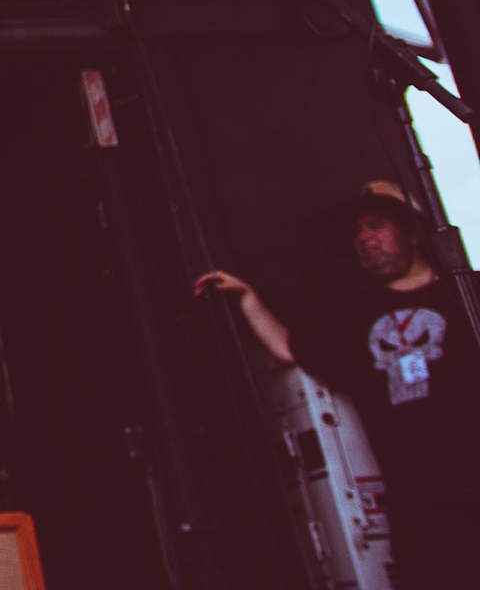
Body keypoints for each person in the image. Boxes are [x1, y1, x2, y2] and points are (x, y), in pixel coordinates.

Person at [195, 180, 480, 584]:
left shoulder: (467, 291)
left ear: (412, 234)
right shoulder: (355, 318)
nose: (364, 238)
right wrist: (247, 298)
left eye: (376, 225)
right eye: (357, 232)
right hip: (418, 508)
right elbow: (291, 349)